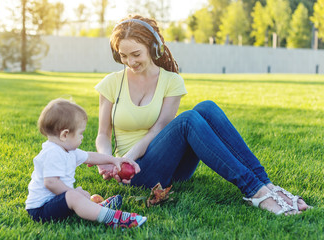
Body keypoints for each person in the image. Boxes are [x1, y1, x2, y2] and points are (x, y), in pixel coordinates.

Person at [94, 15, 310, 216]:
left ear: (153, 48)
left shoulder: (171, 81)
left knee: (206, 108)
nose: (130, 62)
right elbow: (103, 134)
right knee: (188, 120)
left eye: (136, 54)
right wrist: (108, 159)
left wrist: (127, 156)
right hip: (137, 174)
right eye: (123, 56)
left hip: (170, 167)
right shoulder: (112, 83)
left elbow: (159, 128)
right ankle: (257, 192)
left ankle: (267, 185)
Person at [25, 98, 147, 229]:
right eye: (80, 133)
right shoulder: (53, 153)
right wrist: (73, 192)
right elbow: (51, 183)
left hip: (55, 203)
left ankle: (96, 209)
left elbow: (90, 156)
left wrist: (114, 160)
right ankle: (114, 218)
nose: (82, 137)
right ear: (64, 135)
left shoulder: (68, 150)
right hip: (40, 210)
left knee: (74, 196)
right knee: (73, 196)